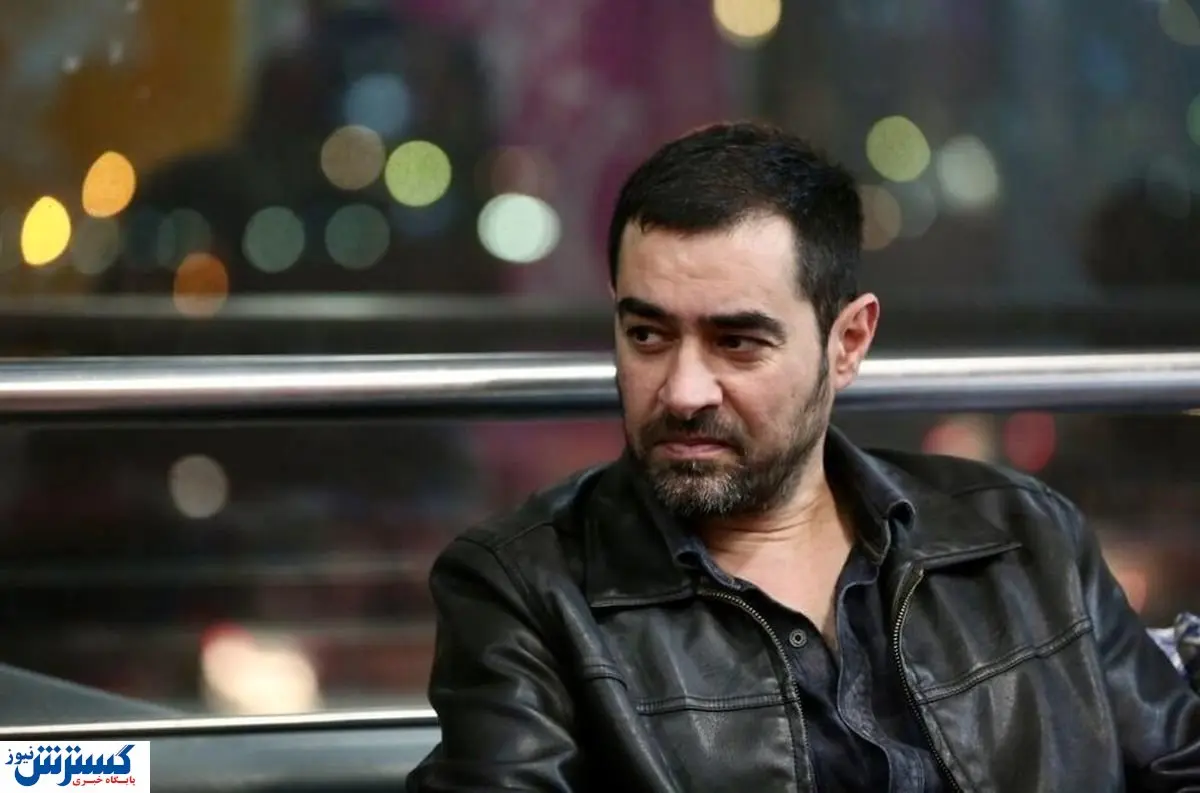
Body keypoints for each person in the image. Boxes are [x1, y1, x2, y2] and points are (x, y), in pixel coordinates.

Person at [406, 121, 1200, 792]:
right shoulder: (525, 589)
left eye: (737, 342)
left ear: (847, 341)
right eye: (647, 334)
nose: (682, 390)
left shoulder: (1025, 536)